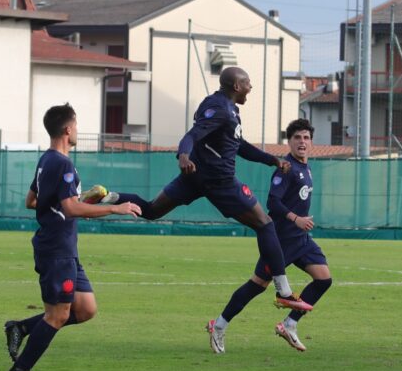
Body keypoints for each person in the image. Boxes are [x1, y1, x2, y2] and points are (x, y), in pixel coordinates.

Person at [107, 67, 312, 317]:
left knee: (150, 210)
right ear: (237, 86)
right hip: (221, 182)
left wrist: (272, 160)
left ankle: (110, 196)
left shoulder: (223, 106)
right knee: (265, 224)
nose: (251, 86)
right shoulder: (223, 111)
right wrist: (183, 155)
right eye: (247, 82)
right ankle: (283, 290)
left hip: (194, 177)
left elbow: (240, 146)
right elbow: (192, 135)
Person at [4, 103, 141, 371]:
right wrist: (115, 209)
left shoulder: (47, 160)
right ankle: (19, 370)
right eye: (76, 125)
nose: (77, 130)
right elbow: (70, 209)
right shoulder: (63, 164)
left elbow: (32, 201)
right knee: (59, 315)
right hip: (56, 248)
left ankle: (22, 327)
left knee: (86, 309)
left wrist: (77, 203)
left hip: (63, 247)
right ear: (68, 129)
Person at [207, 119, 332, 353]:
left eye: (306, 137)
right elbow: (273, 202)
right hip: (280, 242)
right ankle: (219, 326)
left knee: (324, 279)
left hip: (301, 240)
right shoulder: (286, 169)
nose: (302, 142)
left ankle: (290, 324)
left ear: (311, 142)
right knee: (257, 285)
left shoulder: (306, 167)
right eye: (297, 138)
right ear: (290, 142)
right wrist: (296, 219)